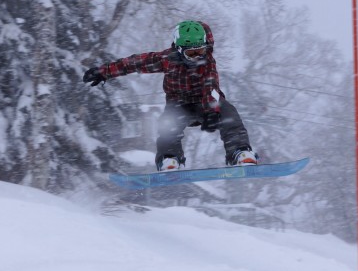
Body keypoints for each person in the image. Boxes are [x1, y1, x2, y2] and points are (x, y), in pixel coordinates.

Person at [82, 20, 257, 171]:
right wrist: (104, 72)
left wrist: (212, 110)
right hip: (178, 104)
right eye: (191, 53)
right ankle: (169, 158)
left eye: (200, 51)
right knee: (168, 125)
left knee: (229, 114)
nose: (197, 57)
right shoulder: (167, 59)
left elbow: (211, 86)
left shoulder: (207, 61)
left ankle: (239, 151)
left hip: (205, 102)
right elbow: (134, 63)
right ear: (180, 50)